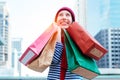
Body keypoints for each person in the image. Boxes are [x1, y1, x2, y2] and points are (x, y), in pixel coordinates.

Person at [47, 7, 83, 80]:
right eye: (60, 15)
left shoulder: (80, 38)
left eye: (67, 15)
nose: (64, 17)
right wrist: (58, 35)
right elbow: (54, 59)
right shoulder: (50, 38)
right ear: (56, 21)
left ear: (73, 21)